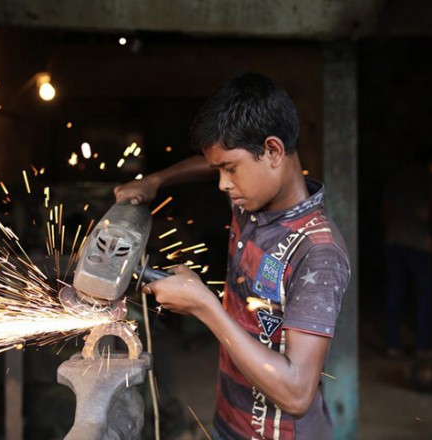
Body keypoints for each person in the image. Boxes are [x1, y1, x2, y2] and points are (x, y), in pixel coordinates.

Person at [114, 72, 351, 439]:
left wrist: (204, 306)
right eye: (219, 170)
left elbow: (298, 392)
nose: (223, 183)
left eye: (230, 169)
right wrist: (156, 181)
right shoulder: (251, 197)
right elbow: (209, 163)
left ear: (272, 151)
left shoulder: (317, 252)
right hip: (229, 424)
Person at [382, 145, 432, 358]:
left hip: (395, 240)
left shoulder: (398, 179)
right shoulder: (431, 180)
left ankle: (392, 345)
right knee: (424, 295)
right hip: (419, 244)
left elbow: (386, 211)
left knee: (395, 292)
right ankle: (422, 346)